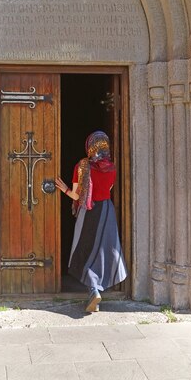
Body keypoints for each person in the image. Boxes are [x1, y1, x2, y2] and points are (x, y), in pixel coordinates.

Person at [56, 130, 127, 313]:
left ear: (90, 146)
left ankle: (94, 290)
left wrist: (64, 188)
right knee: (104, 252)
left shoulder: (82, 166)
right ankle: (97, 289)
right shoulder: (111, 167)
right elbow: (108, 189)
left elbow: (77, 195)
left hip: (88, 212)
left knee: (84, 250)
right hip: (107, 211)